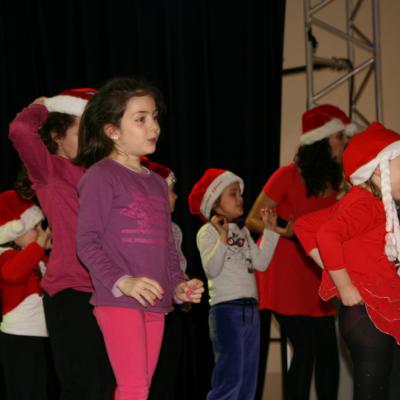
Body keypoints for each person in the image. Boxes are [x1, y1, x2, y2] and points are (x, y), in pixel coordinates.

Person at [75, 76, 204, 400]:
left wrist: (178, 286)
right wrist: (124, 281)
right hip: (119, 299)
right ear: (113, 131)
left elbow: (167, 248)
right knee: (134, 388)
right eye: (141, 119)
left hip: (155, 301)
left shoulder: (158, 184)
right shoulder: (101, 176)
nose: (154, 127)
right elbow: (87, 242)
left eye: (155, 117)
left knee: (139, 388)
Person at [8, 89, 116, 400]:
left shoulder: (101, 174)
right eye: (82, 132)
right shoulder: (50, 170)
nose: (91, 139)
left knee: (109, 387)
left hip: (108, 290)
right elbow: (20, 130)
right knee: (83, 388)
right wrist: (42, 106)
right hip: (71, 292)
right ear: (56, 135)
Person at [246, 104, 356, 400]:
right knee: (305, 348)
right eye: (339, 138)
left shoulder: (336, 183)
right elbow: (252, 219)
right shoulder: (286, 175)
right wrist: (285, 230)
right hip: (284, 272)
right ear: (321, 141)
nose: (344, 143)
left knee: (328, 351)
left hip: (315, 274)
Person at [294, 122, 400, 400]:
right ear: (379, 169)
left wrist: (336, 268)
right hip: (367, 316)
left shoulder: (377, 205)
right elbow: (326, 235)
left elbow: (305, 226)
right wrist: (343, 283)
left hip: (379, 312)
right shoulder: (364, 203)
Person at [188, 168, 280, 400]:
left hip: (251, 310)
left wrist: (270, 231)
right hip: (226, 310)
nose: (240, 199)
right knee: (230, 377)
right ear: (215, 203)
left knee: (248, 378)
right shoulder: (207, 232)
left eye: (240, 194)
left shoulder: (243, 231)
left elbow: (261, 263)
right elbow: (212, 269)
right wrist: (222, 236)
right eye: (233, 194)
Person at [141, 157, 191, 400]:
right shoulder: (139, 228)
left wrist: (185, 287)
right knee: (141, 378)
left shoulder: (175, 230)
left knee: (166, 380)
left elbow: (177, 267)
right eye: (171, 191)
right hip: (145, 307)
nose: (176, 196)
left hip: (171, 312)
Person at [0, 190, 53, 400]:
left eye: (41, 227)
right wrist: (38, 246)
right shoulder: (6, 255)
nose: (40, 232)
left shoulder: (35, 255)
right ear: (15, 232)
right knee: (22, 392)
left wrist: (51, 247)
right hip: (18, 336)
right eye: (35, 227)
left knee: (38, 390)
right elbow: (12, 274)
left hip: (38, 335)